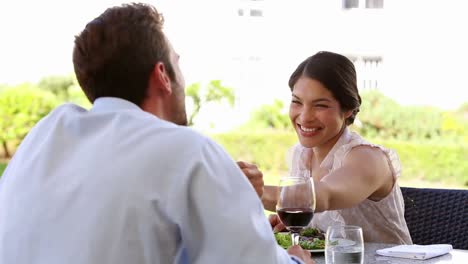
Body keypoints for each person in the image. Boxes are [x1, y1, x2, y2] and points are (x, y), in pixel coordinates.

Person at [0, 3, 313, 264]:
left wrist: (229, 192)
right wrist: (298, 260)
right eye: (178, 62)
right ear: (163, 75)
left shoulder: (43, 137)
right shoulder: (187, 149)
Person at [254, 51, 412, 244]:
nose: (304, 117)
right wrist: (296, 225)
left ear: (348, 110)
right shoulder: (301, 155)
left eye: (320, 105)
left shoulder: (368, 158)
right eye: (297, 102)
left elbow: (323, 196)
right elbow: (310, 211)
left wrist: (247, 188)